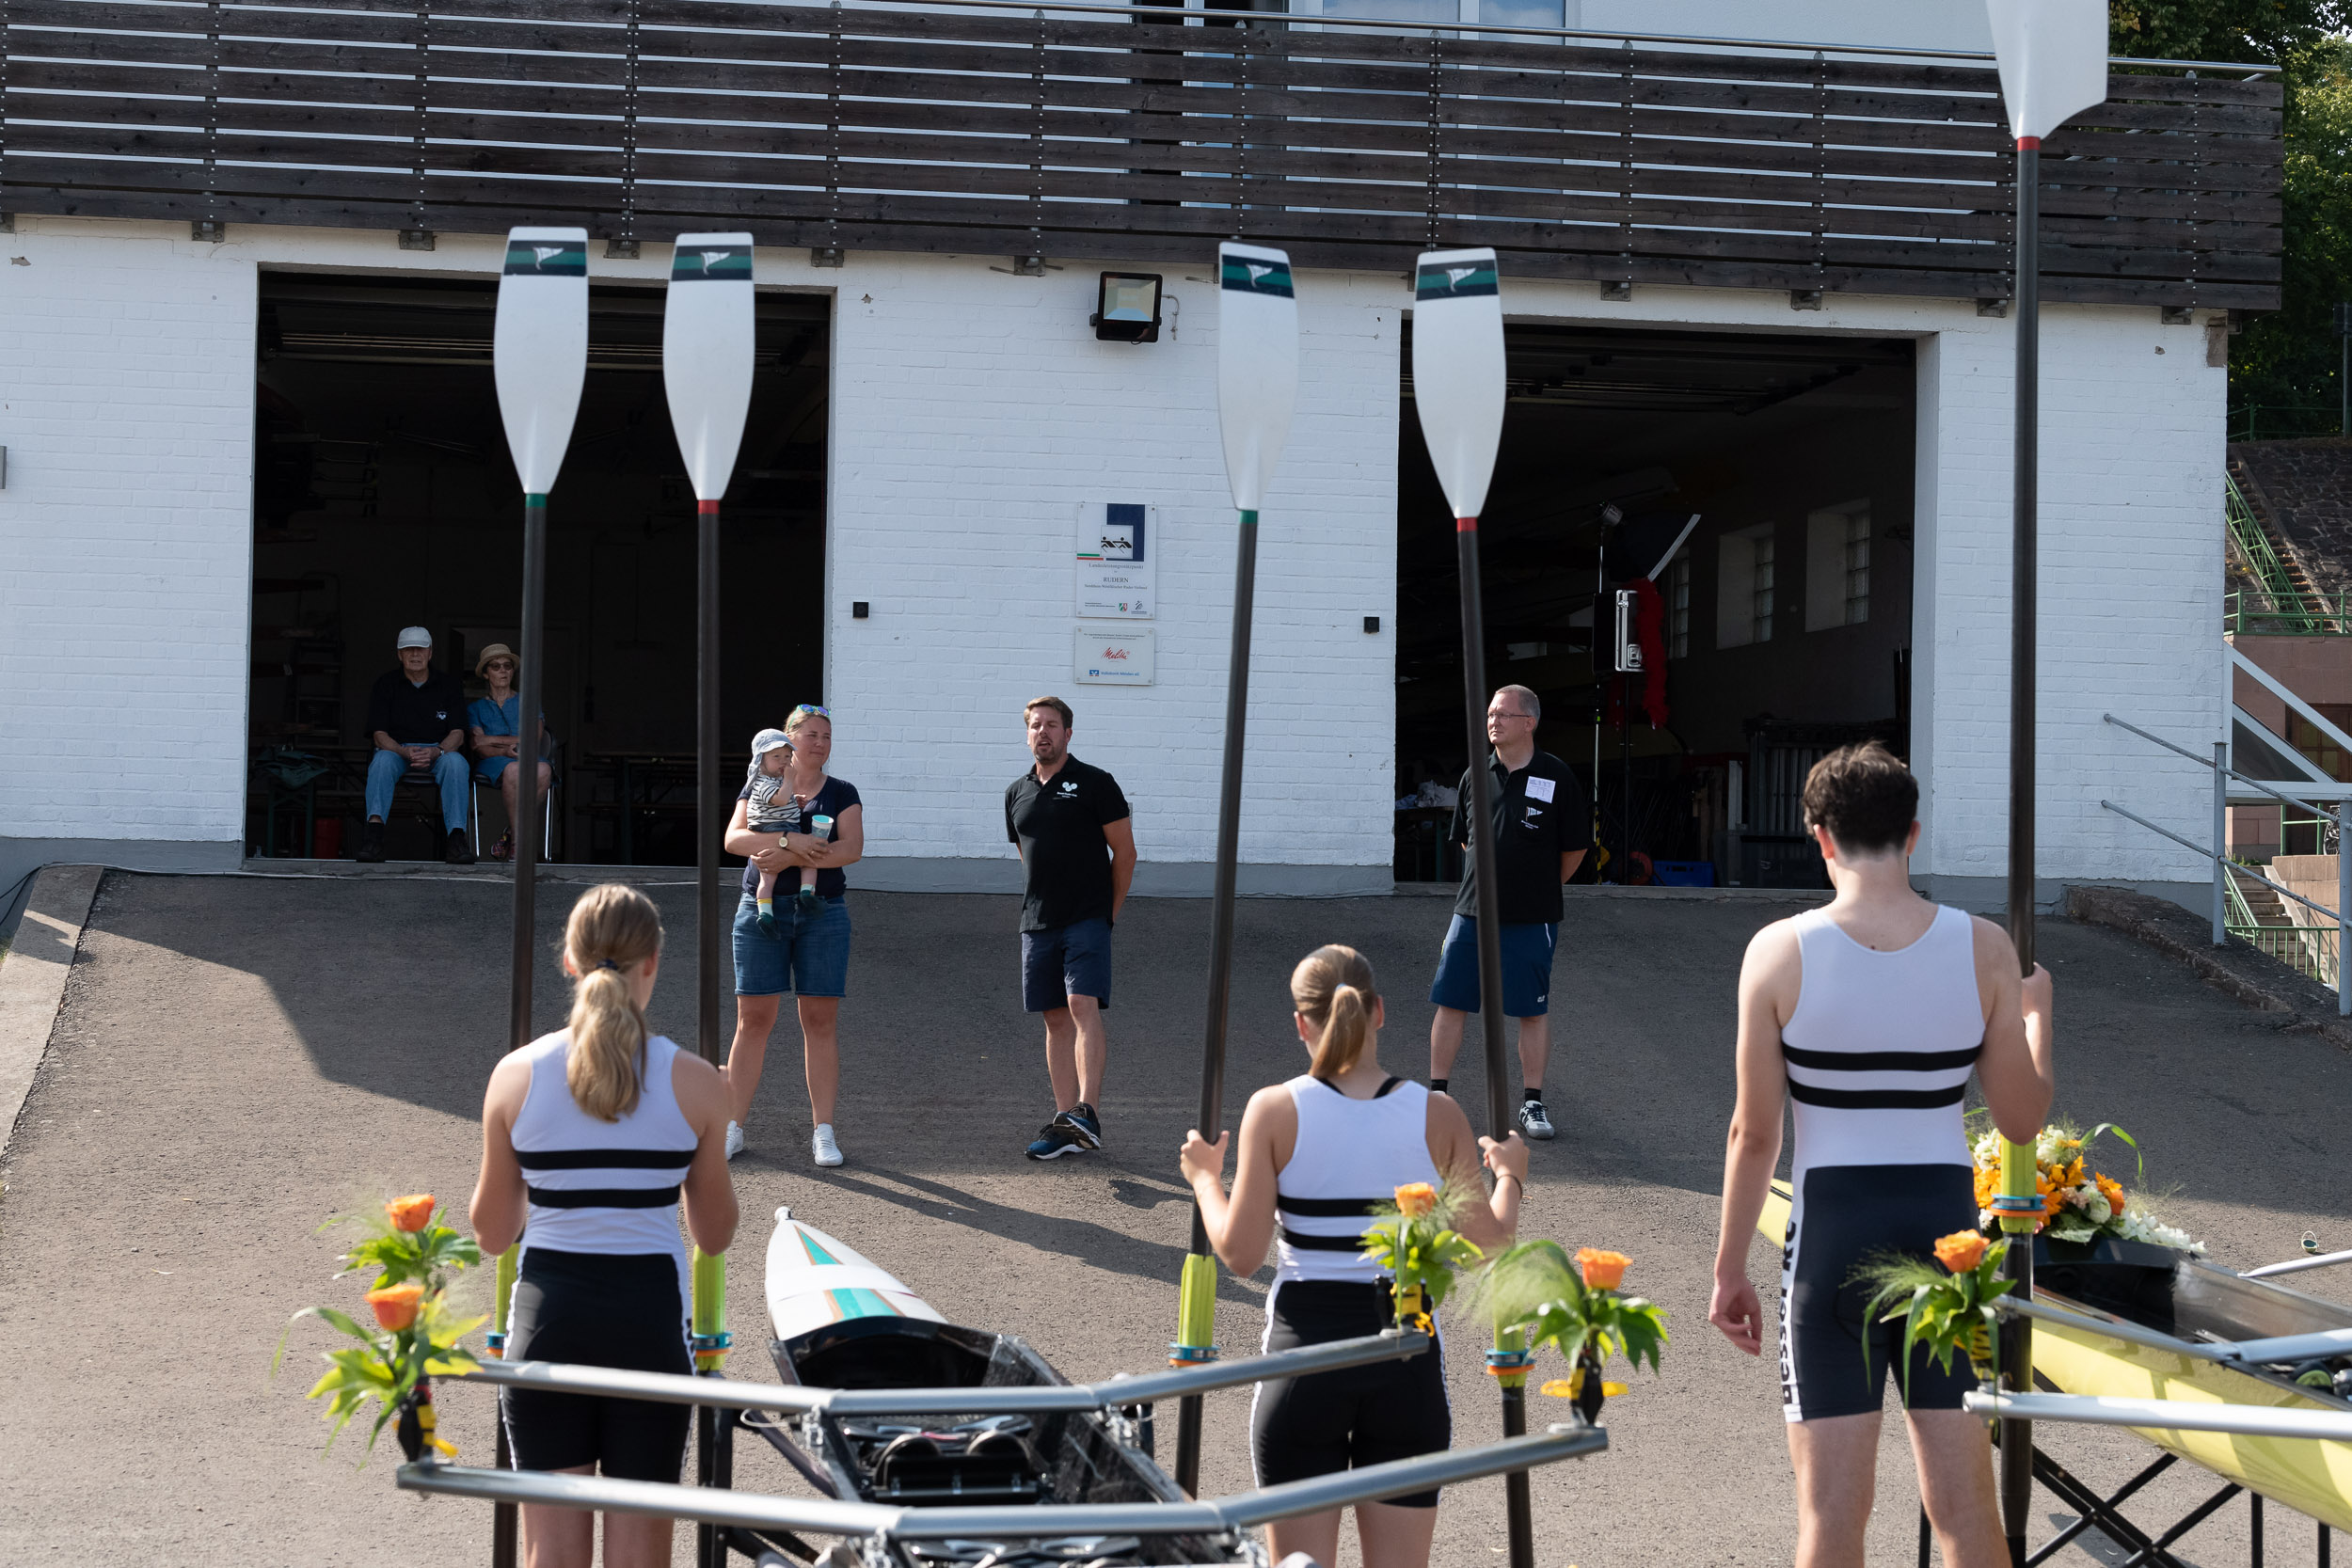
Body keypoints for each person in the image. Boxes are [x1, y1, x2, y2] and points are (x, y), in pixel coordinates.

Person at [1708, 741, 2056, 1568]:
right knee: (1966, 1508)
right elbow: (2018, 1118)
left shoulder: (1778, 951)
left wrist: (1727, 1269)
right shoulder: (1983, 948)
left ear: (1819, 837)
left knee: (1832, 1515)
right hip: (1947, 1240)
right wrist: (2038, 1017)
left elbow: (1754, 1135)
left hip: (1830, 1238)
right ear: (1914, 833)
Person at [1179, 944, 1528, 1568]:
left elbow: (1238, 1250)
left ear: (1301, 1024)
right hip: (1404, 1360)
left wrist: (1206, 1178)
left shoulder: (1275, 1109)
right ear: (1380, 1012)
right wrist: (1510, 1176)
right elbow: (1490, 1248)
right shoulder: (1436, 1113)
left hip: (1303, 1361)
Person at [468, 883, 738, 1568]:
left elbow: (494, 1232)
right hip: (647, 1323)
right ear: (653, 962)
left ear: (568, 960)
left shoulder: (514, 1076)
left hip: (549, 1318)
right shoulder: (698, 1082)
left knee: (551, 1557)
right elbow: (715, 1233)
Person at [1425, 685, 1586, 1140]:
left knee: (1530, 1012)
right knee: (1451, 1002)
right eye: (1490, 714)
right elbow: (1465, 841)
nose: (1492, 721)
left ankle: (1532, 1103)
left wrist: (1536, 885)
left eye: (1502, 714)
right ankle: (1438, 1096)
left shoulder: (1556, 777)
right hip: (1471, 913)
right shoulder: (1474, 774)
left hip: (1532, 917)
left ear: (1529, 722)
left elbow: (1574, 850)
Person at [723, 704, 863, 1168]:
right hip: (760, 910)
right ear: (787, 739)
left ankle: (823, 1132)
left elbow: (851, 849)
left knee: (819, 1023)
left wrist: (793, 856)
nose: (819, 742)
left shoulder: (842, 792)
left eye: (826, 735)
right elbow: (734, 840)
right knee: (753, 1021)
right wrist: (788, 844)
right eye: (810, 734)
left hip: (822, 913)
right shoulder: (758, 784)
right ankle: (732, 1128)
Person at [1005, 695, 1136, 1161]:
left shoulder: (1097, 783)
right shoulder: (1015, 792)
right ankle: (1066, 1126)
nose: (1044, 732)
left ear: (1068, 734)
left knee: (1082, 1004)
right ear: (1028, 734)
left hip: (1087, 918)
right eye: (1036, 725)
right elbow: (1027, 854)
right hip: (1037, 922)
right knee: (1054, 1019)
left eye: (1053, 725)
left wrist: (1108, 912)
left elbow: (1126, 853)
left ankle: (1087, 1111)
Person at [359, 625, 472, 864]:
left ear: (430, 652)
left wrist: (437, 751)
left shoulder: (448, 685)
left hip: (439, 751)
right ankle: (374, 838)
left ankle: (456, 839)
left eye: (420, 649)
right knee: (380, 762)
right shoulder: (385, 684)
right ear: (399, 654)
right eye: (408, 649)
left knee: (457, 763)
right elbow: (379, 734)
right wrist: (402, 751)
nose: (414, 654)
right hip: (396, 750)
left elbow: (458, 734)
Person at [466, 641, 551, 863]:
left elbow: (534, 738)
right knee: (514, 769)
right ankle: (517, 845)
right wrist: (505, 749)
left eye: (507, 666)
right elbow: (479, 747)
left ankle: (512, 833)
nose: (503, 670)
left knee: (544, 770)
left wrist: (490, 738)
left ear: (513, 671)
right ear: (486, 674)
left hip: (528, 758)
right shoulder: (475, 708)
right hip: (493, 761)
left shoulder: (529, 701)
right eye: (495, 666)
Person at [741, 727, 820, 931]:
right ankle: (777, 907)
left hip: (781, 826)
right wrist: (789, 782)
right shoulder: (761, 782)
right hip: (773, 828)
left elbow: (784, 800)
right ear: (760, 760)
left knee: (778, 872)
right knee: (804, 859)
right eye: (776, 756)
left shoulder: (774, 781)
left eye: (787, 756)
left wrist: (795, 800)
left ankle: (798, 898)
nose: (784, 761)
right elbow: (780, 799)